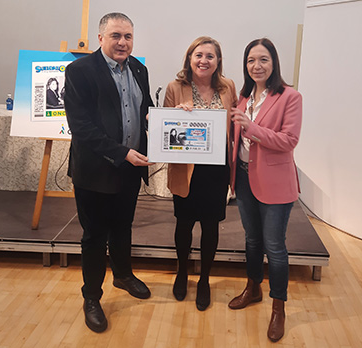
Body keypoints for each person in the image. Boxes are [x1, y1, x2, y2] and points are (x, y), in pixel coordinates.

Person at [64, 12, 154, 333]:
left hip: (129, 170)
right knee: (94, 236)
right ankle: (92, 297)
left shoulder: (139, 69)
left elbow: (147, 112)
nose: (123, 42)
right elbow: (82, 128)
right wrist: (122, 153)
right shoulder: (80, 71)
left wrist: (167, 125)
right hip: (95, 171)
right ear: (100, 38)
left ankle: (123, 275)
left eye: (128, 36)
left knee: (122, 227)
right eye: (116, 36)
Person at [228, 38, 302, 342]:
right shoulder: (243, 99)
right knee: (252, 240)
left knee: (275, 248)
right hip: (243, 178)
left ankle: (278, 308)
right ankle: (253, 288)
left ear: (274, 63)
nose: (256, 66)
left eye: (263, 60)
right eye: (250, 61)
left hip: (276, 183)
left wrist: (251, 128)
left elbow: (289, 141)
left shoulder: (290, 96)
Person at [164, 36, 237, 311]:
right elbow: (166, 127)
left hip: (217, 170)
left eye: (210, 56)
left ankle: (204, 278)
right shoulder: (175, 87)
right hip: (186, 169)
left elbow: (236, 122)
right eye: (199, 55)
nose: (204, 60)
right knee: (183, 224)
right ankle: (182, 271)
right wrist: (176, 113)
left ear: (218, 61)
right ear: (189, 58)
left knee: (210, 225)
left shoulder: (228, 87)